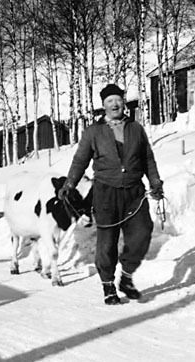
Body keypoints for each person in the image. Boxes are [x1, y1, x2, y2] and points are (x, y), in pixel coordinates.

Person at [58, 84, 164, 305]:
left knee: (142, 233)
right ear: (103, 105)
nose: (115, 104)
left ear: (123, 102)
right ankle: (108, 286)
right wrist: (70, 184)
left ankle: (126, 278)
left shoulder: (136, 129)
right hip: (106, 193)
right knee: (107, 242)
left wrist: (154, 182)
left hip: (134, 192)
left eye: (118, 100)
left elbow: (147, 159)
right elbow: (80, 162)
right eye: (109, 101)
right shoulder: (93, 132)